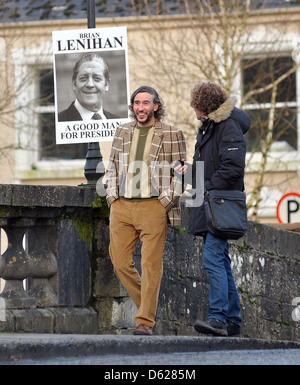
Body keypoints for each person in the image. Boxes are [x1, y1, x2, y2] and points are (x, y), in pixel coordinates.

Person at [106, 86, 186, 335]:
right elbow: (112, 166)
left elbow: (181, 174)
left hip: (153, 206)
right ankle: (148, 307)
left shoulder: (172, 133)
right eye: (136, 103)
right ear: (132, 107)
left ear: (156, 106)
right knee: (119, 263)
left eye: (146, 103)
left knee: (151, 265)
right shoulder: (122, 131)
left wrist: (165, 201)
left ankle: (145, 322)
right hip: (122, 206)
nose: (141, 108)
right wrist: (111, 197)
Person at [188, 81, 250, 337]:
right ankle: (233, 320)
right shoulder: (211, 127)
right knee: (221, 261)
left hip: (219, 201)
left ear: (203, 107)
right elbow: (208, 168)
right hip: (212, 201)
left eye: (195, 106)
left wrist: (208, 189)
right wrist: (186, 170)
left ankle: (218, 318)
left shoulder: (227, 125)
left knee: (212, 258)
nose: (193, 111)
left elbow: (233, 166)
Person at [58, 53, 118, 121]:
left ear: (106, 84)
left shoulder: (117, 121)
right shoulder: (57, 122)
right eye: (83, 78)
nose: (90, 84)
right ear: (74, 84)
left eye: (97, 78)